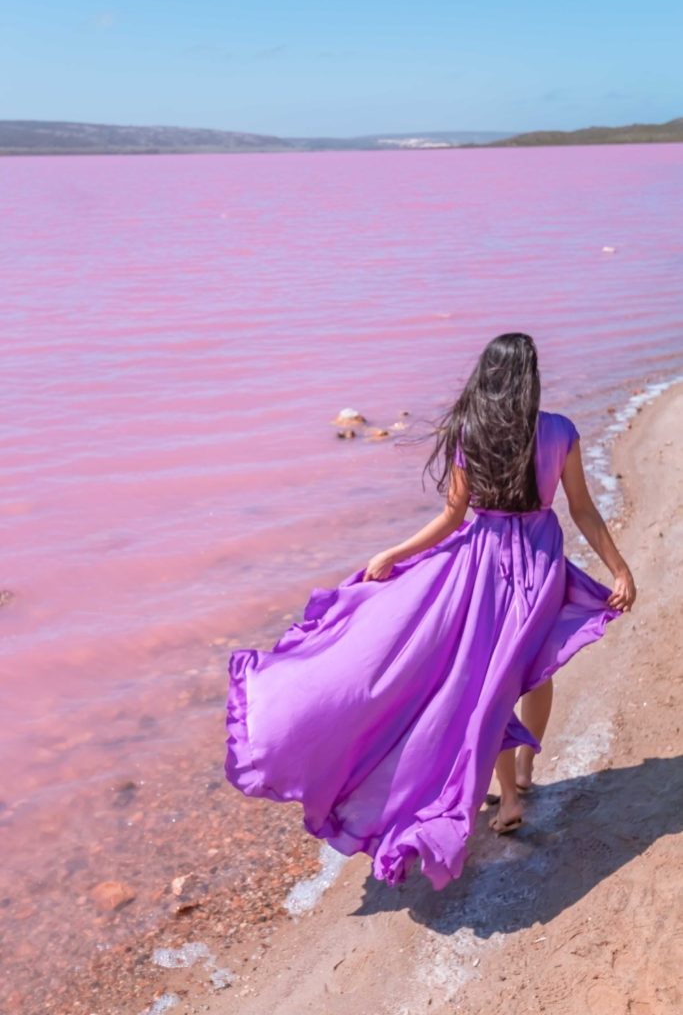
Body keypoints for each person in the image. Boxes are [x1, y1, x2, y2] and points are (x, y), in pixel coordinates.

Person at [225, 333, 635, 890]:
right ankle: (523, 774)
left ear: (487, 377)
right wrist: (618, 568)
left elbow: (451, 517)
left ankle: (511, 790)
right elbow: (582, 509)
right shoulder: (559, 430)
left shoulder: (470, 434)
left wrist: (397, 552)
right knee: (530, 671)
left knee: (485, 683)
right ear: (530, 377)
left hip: (479, 566)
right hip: (539, 566)